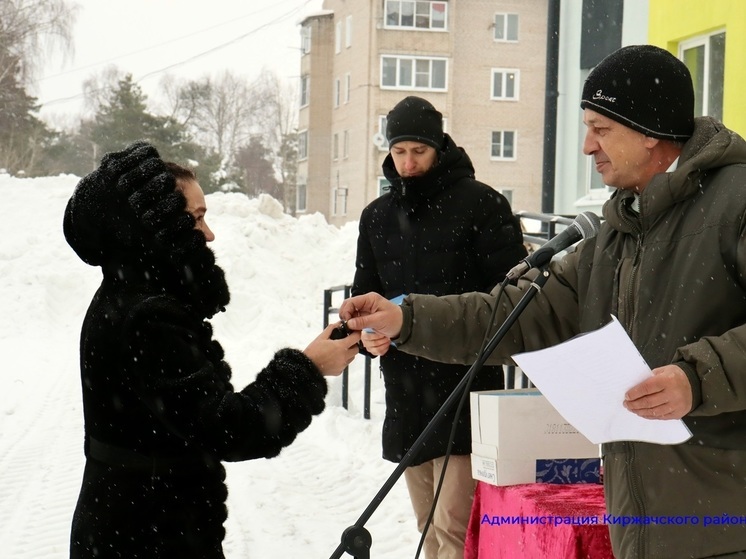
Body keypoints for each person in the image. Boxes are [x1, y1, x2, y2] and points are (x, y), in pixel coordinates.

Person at [340, 45, 746, 559]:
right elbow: (513, 315)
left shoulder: (737, 202)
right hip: (641, 527)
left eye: (601, 129)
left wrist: (697, 378)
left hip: (728, 523)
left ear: (650, 131)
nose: (586, 146)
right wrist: (407, 317)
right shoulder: (614, 236)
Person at [63, 141, 361, 558]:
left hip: (130, 527)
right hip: (146, 536)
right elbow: (229, 428)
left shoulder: (127, 294)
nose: (209, 233)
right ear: (156, 227)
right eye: (196, 218)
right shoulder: (147, 317)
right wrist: (309, 368)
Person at [352, 95, 527, 559]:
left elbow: (514, 299)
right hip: (406, 389)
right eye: (398, 152)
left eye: (419, 151)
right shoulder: (376, 217)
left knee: (455, 528)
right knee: (427, 527)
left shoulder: (483, 205)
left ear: (439, 146)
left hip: (466, 386)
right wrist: (369, 334)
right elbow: (364, 298)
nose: (407, 163)